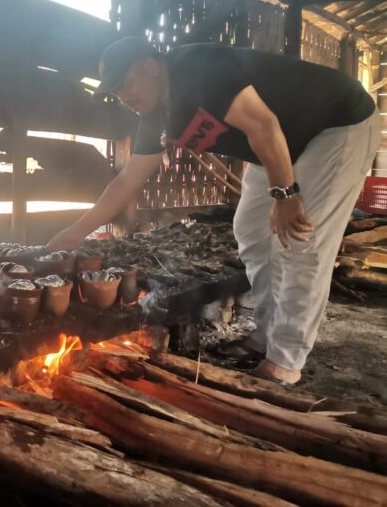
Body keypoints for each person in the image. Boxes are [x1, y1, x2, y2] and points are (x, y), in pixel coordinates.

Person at [47, 36, 379, 384]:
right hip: (280, 141)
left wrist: (285, 196)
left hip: (336, 125)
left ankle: (286, 360)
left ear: (152, 65)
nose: (124, 96)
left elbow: (263, 126)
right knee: (252, 232)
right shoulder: (157, 116)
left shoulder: (198, 69)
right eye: (116, 91)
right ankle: (267, 335)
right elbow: (126, 181)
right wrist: (75, 232)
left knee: (299, 243)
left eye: (126, 83)